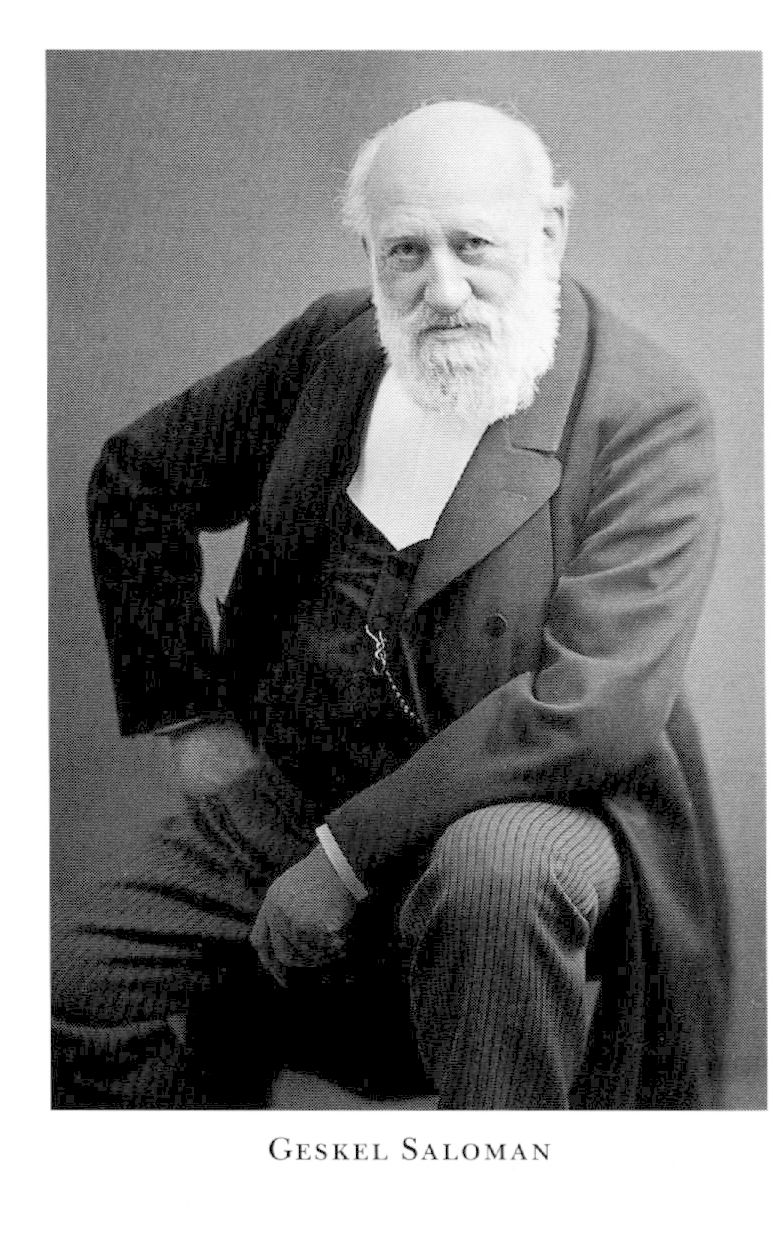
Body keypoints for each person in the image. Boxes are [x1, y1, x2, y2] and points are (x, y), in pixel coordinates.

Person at [53, 100, 731, 1109]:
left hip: (529, 802)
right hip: (297, 790)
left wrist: (342, 858)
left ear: (548, 230)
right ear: (367, 249)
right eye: (405, 250)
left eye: (473, 244)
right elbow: (139, 479)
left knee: (499, 869)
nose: (441, 290)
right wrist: (189, 713)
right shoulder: (333, 345)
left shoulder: (642, 410)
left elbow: (589, 713)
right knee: (63, 983)